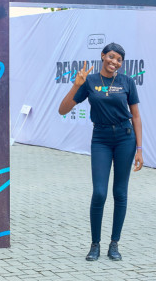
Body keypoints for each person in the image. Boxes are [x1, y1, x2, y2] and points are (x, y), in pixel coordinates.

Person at [59, 42, 143, 261]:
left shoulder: (127, 82)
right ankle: (94, 244)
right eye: (111, 57)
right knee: (99, 193)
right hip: (101, 139)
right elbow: (63, 110)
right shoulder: (89, 81)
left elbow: (135, 116)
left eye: (119, 60)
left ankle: (114, 244)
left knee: (120, 193)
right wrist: (76, 86)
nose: (114, 62)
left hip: (125, 138)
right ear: (103, 56)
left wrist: (140, 149)